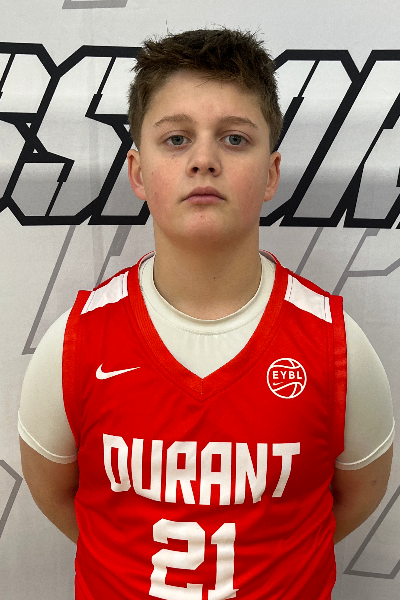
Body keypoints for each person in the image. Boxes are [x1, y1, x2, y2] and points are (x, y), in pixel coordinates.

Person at [19, 28, 394, 600]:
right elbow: (59, 496)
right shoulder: (76, 343)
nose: (203, 160)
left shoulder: (336, 346)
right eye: (176, 139)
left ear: (271, 174)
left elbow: (355, 498)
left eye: (234, 139)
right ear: (137, 172)